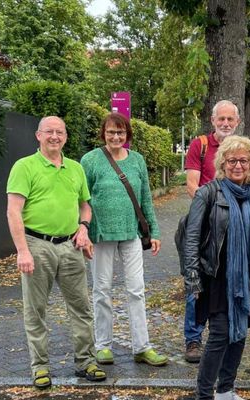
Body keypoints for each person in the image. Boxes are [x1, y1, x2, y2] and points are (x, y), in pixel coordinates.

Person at [6, 116, 106, 389]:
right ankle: (40, 367)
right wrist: (22, 251)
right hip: (37, 245)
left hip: (71, 245)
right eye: (48, 131)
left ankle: (86, 362)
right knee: (36, 310)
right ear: (38, 135)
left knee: (81, 308)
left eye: (59, 132)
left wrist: (84, 228)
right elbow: (13, 211)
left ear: (66, 136)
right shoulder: (24, 167)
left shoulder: (75, 168)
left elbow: (85, 206)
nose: (54, 136)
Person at [183, 136, 250, 400]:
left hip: (248, 278)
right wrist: (192, 278)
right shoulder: (208, 193)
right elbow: (192, 238)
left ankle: (225, 390)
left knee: (239, 335)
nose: (238, 165)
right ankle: (204, 394)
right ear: (222, 162)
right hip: (217, 277)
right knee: (221, 335)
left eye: (243, 160)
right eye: (232, 160)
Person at [80, 113, 167, 367]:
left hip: (131, 234)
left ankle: (142, 347)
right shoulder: (91, 160)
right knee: (101, 290)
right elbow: (82, 199)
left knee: (136, 290)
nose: (115, 137)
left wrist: (154, 232)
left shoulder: (137, 160)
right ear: (103, 134)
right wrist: (84, 232)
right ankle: (103, 346)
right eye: (110, 132)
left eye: (120, 132)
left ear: (127, 134)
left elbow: (146, 198)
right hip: (101, 234)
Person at [182, 99, 241, 363]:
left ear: (237, 122)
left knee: (227, 279)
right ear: (213, 120)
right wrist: (214, 204)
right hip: (206, 225)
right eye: (221, 119)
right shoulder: (200, 145)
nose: (226, 124)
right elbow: (192, 186)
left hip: (233, 227)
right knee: (197, 279)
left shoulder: (240, 148)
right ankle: (193, 338)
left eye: (230, 119)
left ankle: (224, 332)